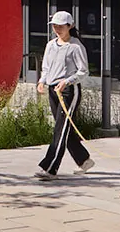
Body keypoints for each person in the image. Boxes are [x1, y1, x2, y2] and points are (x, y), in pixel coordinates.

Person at [34, 10, 94, 178]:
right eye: (55, 26)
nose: (57, 29)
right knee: (64, 129)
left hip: (69, 92)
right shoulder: (50, 45)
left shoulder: (76, 46)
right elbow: (46, 67)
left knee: (60, 130)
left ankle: (50, 168)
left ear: (70, 26)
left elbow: (83, 71)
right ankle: (84, 160)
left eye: (61, 26)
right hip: (54, 91)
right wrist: (41, 81)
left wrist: (67, 81)